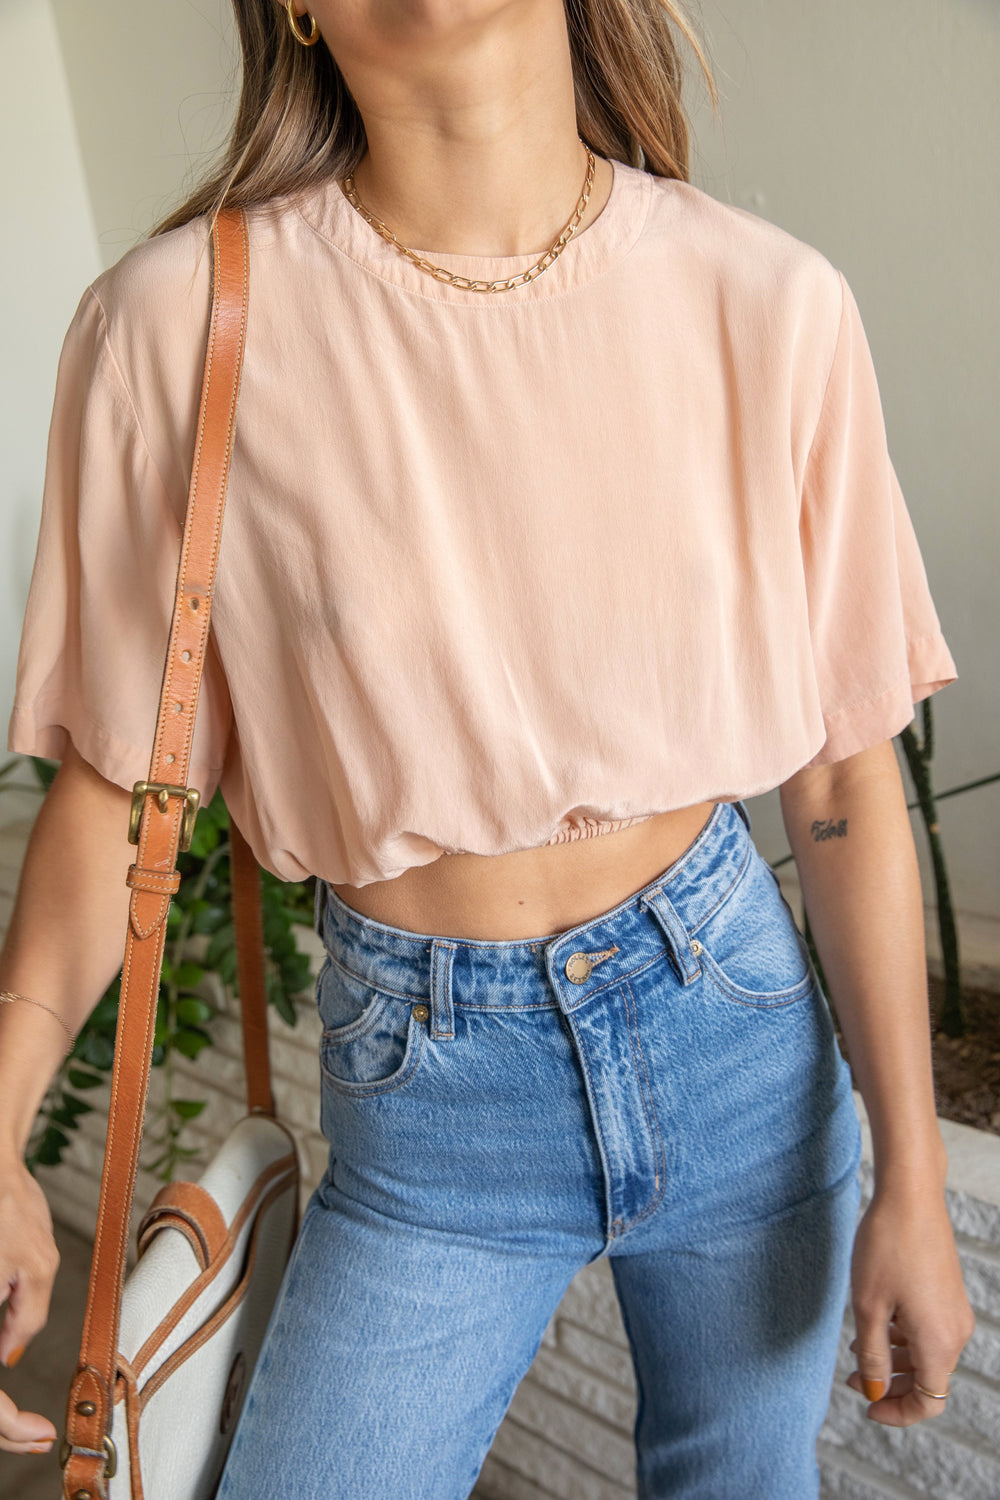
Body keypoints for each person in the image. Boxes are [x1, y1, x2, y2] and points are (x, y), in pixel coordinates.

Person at [0, 0, 976, 1493]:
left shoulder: (765, 299)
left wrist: (914, 1169)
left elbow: (844, 774)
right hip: (429, 1100)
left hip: (737, 1040)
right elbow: (117, 790)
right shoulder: (177, 327)